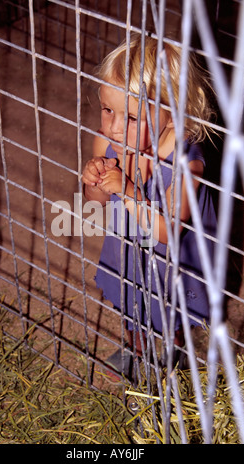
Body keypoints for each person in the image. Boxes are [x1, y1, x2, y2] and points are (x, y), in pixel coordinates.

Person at [82, 33, 217, 380]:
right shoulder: (106, 139)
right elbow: (94, 203)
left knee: (168, 314)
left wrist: (126, 190)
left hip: (173, 261)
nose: (112, 127)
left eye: (129, 117)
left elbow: (169, 233)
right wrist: (92, 179)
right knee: (128, 304)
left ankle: (173, 353)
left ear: (172, 116)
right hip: (126, 247)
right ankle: (136, 349)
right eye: (107, 109)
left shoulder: (187, 164)